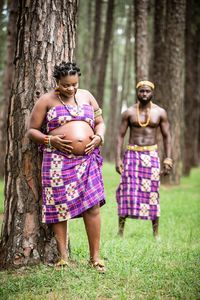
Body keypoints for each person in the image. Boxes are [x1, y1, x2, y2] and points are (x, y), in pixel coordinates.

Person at [27, 61, 106, 272]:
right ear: (57, 82)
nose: (71, 88)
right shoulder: (46, 100)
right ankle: (63, 257)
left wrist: (99, 137)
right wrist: (49, 141)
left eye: (74, 84)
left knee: (93, 206)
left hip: (87, 160)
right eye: (66, 85)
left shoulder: (87, 96)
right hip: (57, 162)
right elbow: (32, 131)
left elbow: (100, 122)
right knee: (59, 207)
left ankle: (95, 258)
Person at [115, 80, 172, 238]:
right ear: (137, 92)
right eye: (141, 91)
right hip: (132, 155)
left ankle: (156, 233)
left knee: (152, 192)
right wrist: (117, 159)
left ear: (152, 93)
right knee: (127, 190)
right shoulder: (129, 112)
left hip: (151, 155)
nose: (144, 94)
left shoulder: (160, 112)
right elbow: (120, 136)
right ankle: (120, 231)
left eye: (147, 91)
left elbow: (167, 136)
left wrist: (168, 158)